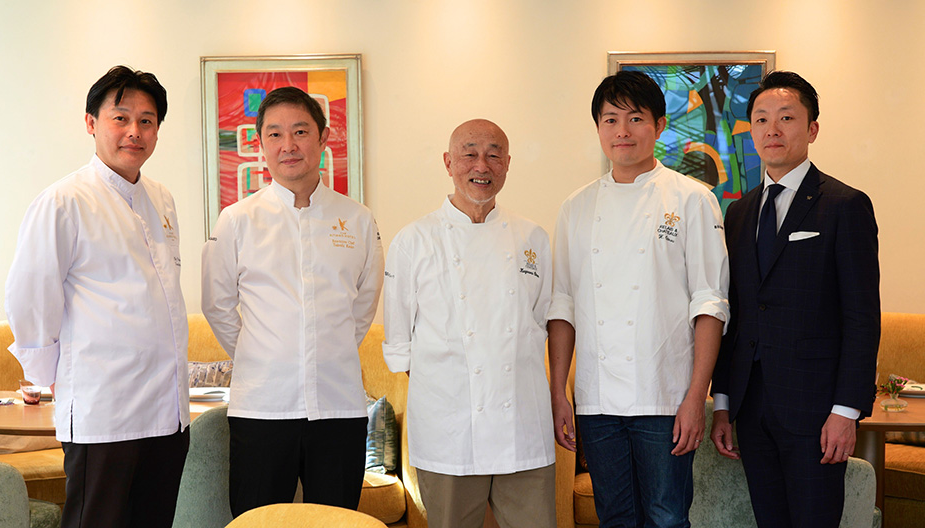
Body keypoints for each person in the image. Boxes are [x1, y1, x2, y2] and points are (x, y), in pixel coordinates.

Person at [4, 65, 189, 528]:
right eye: (120, 118)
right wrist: (51, 379)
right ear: (91, 122)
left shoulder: (162, 198)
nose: (134, 131)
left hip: (168, 411)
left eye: (146, 121)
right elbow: (31, 294)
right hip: (104, 409)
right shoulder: (64, 200)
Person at [547, 70, 729, 527]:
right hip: (597, 399)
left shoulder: (692, 199)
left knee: (667, 517)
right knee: (613, 516)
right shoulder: (575, 207)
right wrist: (559, 391)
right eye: (610, 120)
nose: (622, 131)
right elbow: (562, 304)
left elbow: (710, 303)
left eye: (635, 118)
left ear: (660, 125)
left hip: (665, 394)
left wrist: (697, 396)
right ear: (598, 128)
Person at [201, 86, 384, 517]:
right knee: (258, 521)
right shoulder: (237, 220)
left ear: (323, 138)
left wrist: (327, 349)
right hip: (262, 407)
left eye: (300, 131)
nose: (288, 145)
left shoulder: (357, 219)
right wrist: (261, 353)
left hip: (339, 406)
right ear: (260, 143)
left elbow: (364, 302)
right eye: (275, 134)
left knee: (336, 523)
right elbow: (217, 303)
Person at [709, 70, 880, 527]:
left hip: (817, 410)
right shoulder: (739, 212)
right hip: (751, 407)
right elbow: (734, 312)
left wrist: (846, 411)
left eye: (786, 117)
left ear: (812, 129)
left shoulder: (844, 205)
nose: (773, 129)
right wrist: (722, 403)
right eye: (761, 119)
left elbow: (862, 318)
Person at [383, 119, 556, 528]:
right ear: (448, 162)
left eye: (494, 155)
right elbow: (400, 344)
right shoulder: (414, 241)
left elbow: (540, 325)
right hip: (450, 431)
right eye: (470, 154)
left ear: (508, 164)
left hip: (521, 424)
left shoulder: (532, 238)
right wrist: (451, 389)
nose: (482, 165)